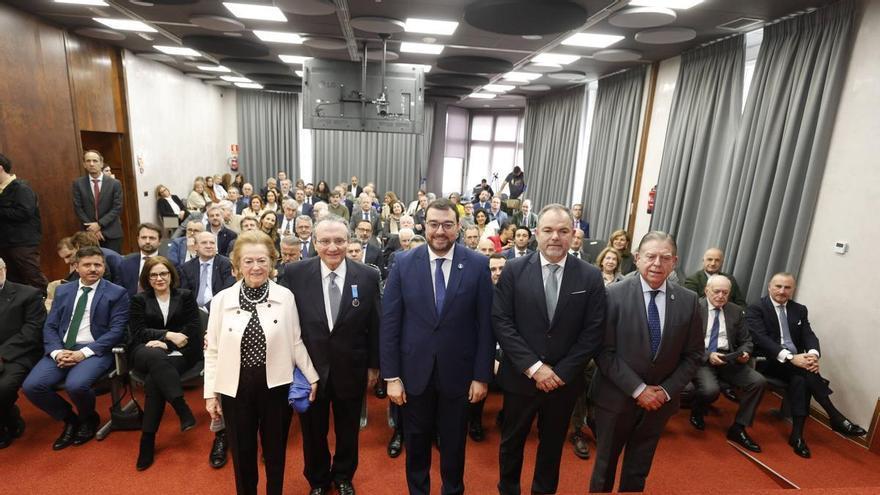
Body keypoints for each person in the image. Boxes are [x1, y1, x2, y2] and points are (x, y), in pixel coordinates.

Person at [380, 198, 494, 495]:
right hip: (413, 373)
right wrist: (391, 376)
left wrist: (481, 376)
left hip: (459, 374)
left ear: (458, 227)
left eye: (447, 225)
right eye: (434, 224)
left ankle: (452, 490)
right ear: (424, 225)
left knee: (454, 445)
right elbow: (390, 323)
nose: (440, 231)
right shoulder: (403, 263)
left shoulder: (477, 264)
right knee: (416, 444)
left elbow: (485, 325)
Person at [493, 204, 606, 495]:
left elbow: (593, 331)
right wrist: (535, 368)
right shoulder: (514, 270)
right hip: (521, 378)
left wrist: (561, 373)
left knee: (552, 447)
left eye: (563, 231)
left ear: (573, 234)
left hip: (563, 382)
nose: (555, 236)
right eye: (548, 230)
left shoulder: (590, 276)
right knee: (511, 443)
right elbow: (502, 322)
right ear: (536, 233)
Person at [203, 231, 319, 495]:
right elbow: (213, 351)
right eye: (248, 261)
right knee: (242, 454)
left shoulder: (285, 297)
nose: (256, 267)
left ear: (272, 262)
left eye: (262, 260)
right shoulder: (221, 301)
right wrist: (210, 394)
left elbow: (295, 341)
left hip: (275, 386)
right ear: (237, 265)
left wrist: (311, 376)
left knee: (275, 452)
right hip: (235, 388)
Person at [589, 231, 703, 493]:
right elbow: (603, 351)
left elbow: (694, 354)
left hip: (660, 403)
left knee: (638, 469)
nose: (657, 264)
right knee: (604, 468)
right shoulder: (612, 295)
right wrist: (639, 390)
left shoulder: (688, 300)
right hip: (616, 399)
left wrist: (664, 391)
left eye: (665, 258)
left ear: (674, 262)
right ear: (637, 258)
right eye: (650, 256)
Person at [282, 217, 381, 495]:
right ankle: (318, 480)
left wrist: (374, 366)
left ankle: (344, 476)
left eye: (339, 240)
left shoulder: (368, 276)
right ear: (314, 243)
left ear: (349, 241)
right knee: (313, 432)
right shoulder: (295, 273)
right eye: (325, 241)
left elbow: (375, 324)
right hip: (310, 370)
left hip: (352, 368)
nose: (333, 247)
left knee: (348, 430)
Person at [745, 272, 866, 458]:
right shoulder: (756, 308)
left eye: (787, 287)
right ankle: (834, 417)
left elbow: (809, 335)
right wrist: (791, 357)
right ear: (769, 287)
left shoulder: (799, 309)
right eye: (778, 286)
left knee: (801, 379)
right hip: (769, 361)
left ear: (793, 290)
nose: (782, 291)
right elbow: (761, 339)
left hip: (797, 364)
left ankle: (798, 436)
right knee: (805, 372)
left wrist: (812, 355)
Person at [22, 246, 130, 450]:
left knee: (76, 385)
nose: (93, 269)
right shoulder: (63, 290)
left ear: (104, 267)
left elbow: (116, 331)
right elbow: (50, 326)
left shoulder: (117, 293)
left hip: (95, 350)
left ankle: (88, 418)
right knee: (32, 386)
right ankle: (70, 420)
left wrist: (82, 353)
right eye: (87, 265)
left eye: (98, 264)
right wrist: (56, 352)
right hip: (62, 348)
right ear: (76, 267)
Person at [128, 257, 201, 470]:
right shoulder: (139, 300)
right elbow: (138, 331)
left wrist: (166, 344)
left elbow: (193, 327)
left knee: (154, 380)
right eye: (153, 275)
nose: (159, 278)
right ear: (147, 278)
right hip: (145, 351)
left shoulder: (185, 296)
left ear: (171, 275)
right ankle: (181, 407)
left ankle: (147, 440)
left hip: (179, 352)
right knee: (155, 357)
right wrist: (167, 335)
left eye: (163, 274)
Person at [689, 275, 765, 453]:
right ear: (706, 290)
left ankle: (739, 428)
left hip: (728, 358)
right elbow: (685, 342)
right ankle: (697, 409)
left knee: (758, 381)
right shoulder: (694, 308)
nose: (721, 296)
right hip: (702, 357)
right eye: (717, 292)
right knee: (710, 391)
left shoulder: (735, 311)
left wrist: (745, 353)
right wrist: (708, 355)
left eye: (725, 293)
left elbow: (746, 340)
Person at [0, 257, 47, 449]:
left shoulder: (28, 294)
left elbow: (32, 332)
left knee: (3, 387)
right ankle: (10, 418)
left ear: (4, 270)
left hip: (20, 353)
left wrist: (2, 353)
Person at [0, 153, 48, 292]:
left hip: (22, 243)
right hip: (5, 243)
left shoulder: (21, 188)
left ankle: (44, 302)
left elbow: (24, 213)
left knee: (33, 277)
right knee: (13, 280)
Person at [72, 150, 124, 253]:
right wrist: (92, 229)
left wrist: (99, 225)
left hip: (111, 232)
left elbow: (117, 207)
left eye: (95, 161)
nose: (91, 164)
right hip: (88, 235)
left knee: (113, 262)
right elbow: (78, 208)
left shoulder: (115, 184)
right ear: (84, 164)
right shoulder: (78, 184)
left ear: (101, 163)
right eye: (88, 161)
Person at [179, 232, 236, 311]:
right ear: (196, 246)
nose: (209, 246)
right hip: (193, 310)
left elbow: (226, 291)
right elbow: (185, 293)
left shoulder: (226, 264)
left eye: (212, 243)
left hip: (218, 308)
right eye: (204, 243)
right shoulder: (187, 267)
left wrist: (206, 308)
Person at [118, 223, 163, 297]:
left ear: (160, 241)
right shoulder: (125, 263)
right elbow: (119, 290)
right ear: (138, 239)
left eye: (152, 238)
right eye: (144, 237)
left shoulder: (169, 264)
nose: (147, 241)